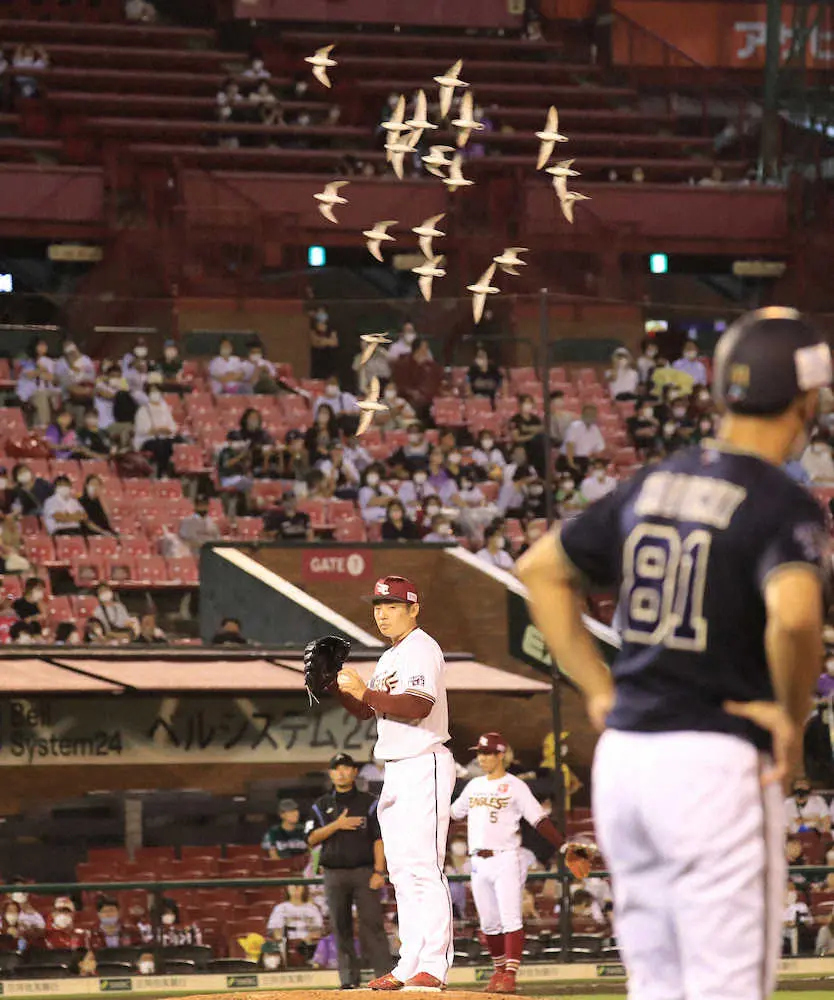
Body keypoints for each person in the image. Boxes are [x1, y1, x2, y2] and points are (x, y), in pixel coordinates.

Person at [517, 307, 832, 1000]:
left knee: (657, 984)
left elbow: (540, 568)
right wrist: (790, 712)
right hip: (714, 761)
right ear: (808, 399)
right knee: (725, 987)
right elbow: (795, 615)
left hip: (626, 761)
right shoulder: (781, 500)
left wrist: (598, 690)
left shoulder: (653, 482)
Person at [333, 575, 455, 990]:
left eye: (391, 605)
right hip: (396, 766)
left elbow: (417, 706)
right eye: (377, 606)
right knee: (402, 872)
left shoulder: (422, 648)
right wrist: (340, 690)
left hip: (425, 762)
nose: (382, 613)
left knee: (424, 867)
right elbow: (370, 713)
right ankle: (409, 964)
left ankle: (434, 965)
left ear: (413, 609)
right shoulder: (390, 657)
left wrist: (363, 692)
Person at [451, 732, 564, 994]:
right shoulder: (474, 785)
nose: (482, 757)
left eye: (488, 752)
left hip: (506, 858)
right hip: (478, 861)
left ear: (501, 755)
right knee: (489, 922)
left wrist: (563, 845)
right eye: (480, 752)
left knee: (511, 918)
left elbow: (539, 819)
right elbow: (453, 813)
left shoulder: (515, 785)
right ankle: (499, 970)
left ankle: (510, 974)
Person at [306, 752, 392, 988]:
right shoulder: (321, 805)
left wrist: (379, 871)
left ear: (355, 772)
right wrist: (337, 825)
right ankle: (348, 981)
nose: (342, 772)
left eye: (346, 768)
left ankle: (384, 976)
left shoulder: (369, 801)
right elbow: (311, 839)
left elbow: (379, 839)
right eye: (337, 769)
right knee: (339, 926)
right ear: (331, 774)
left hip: (365, 872)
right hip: (334, 874)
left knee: (372, 925)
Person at [266, 885, 323, 961]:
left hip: (308, 947)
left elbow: (317, 931)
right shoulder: (280, 908)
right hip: (284, 947)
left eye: (299, 885)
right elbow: (274, 931)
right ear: (287, 888)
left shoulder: (312, 908)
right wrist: (285, 942)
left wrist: (304, 941)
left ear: (304, 888)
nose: (296, 888)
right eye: (292, 885)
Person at [133, 387, 180, 477]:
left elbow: (172, 427)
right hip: (147, 440)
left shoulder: (165, 409)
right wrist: (160, 430)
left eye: (157, 391)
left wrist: (164, 430)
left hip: (164, 438)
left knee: (175, 441)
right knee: (160, 445)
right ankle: (160, 473)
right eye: (153, 391)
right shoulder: (143, 410)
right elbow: (144, 430)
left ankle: (173, 473)